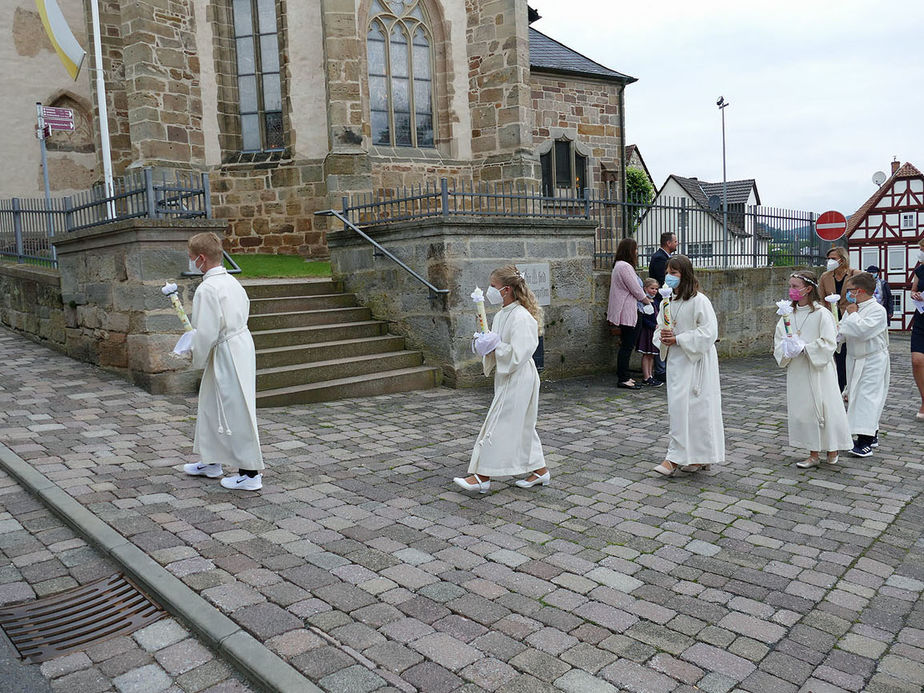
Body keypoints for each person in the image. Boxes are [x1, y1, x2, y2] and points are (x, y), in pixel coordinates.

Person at [453, 265, 549, 493]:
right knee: (522, 425)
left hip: (519, 377)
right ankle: (540, 470)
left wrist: (496, 346)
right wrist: (484, 343)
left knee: (499, 423)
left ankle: (482, 476)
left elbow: (519, 353)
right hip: (507, 376)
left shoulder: (522, 317)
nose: (490, 290)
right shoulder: (502, 314)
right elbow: (496, 344)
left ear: (506, 290)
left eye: (493, 286)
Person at [182, 232, 265, 490]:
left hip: (227, 350)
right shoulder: (231, 281)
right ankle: (211, 460)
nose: (190, 262)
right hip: (237, 345)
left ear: (201, 259)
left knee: (236, 407)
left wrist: (195, 353)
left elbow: (206, 331)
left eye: (191, 258)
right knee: (211, 405)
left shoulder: (208, 288)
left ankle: (250, 473)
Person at [652, 255, 725, 476]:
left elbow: (709, 332)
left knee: (698, 410)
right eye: (667, 272)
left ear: (685, 275)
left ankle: (677, 458)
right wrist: (663, 338)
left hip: (697, 363)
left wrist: (679, 339)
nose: (669, 277)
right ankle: (693, 456)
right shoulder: (667, 302)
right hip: (677, 362)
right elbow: (659, 329)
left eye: (674, 273)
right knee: (678, 409)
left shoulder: (699, 300)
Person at [773, 271, 852, 468]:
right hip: (798, 369)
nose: (791, 290)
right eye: (790, 286)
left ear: (808, 289)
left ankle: (832, 447)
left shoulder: (821, 313)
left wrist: (806, 348)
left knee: (826, 408)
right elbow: (779, 340)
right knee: (805, 410)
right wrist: (787, 349)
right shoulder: (786, 314)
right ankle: (813, 452)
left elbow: (829, 341)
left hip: (819, 369)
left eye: (795, 286)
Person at [839, 272, 890, 457]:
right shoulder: (853, 308)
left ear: (859, 291)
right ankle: (872, 434)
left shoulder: (877, 310)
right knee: (855, 396)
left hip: (872, 359)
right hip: (854, 358)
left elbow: (862, 331)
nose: (848, 294)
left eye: (850, 290)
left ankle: (865, 442)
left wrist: (852, 315)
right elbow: (844, 331)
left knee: (867, 398)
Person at [607, 238, 653, 389]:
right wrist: (647, 301)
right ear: (629, 250)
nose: (637, 252)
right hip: (629, 311)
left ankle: (625, 376)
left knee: (627, 345)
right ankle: (623, 378)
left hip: (628, 310)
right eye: (636, 249)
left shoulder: (619, 266)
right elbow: (635, 289)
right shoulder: (625, 266)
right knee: (627, 346)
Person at [818, 246, 859, 392]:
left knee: (849, 353)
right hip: (832, 319)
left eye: (833, 258)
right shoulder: (825, 276)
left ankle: (849, 386)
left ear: (842, 259)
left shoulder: (855, 274)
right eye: (828, 259)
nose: (830, 261)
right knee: (838, 355)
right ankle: (841, 387)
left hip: (849, 318)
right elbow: (822, 299)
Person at [648, 232, 677, 383]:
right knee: (664, 330)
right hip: (662, 300)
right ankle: (661, 370)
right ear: (668, 243)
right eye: (675, 241)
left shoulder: (663, 257)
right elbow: (662, 281)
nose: (677, 244)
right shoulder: (660, 258)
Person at [636, 278, 663, 387]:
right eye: (652, 288)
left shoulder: (656, 301)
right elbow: (643, 319)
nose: (654, 291)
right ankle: (646, 376)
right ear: (645, 288)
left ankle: (650, 375)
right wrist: (653, 326)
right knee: (647, 354)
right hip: (647, 331)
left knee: (651, 355)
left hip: (655, 331)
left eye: (656, 289)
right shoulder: (643, 301)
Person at [910, 239, 924, 421]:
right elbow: (913, 289)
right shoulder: (920, 270)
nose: (920, 252)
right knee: (917, 360)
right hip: (921, 318)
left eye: (923, 248)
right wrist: (915, 295)